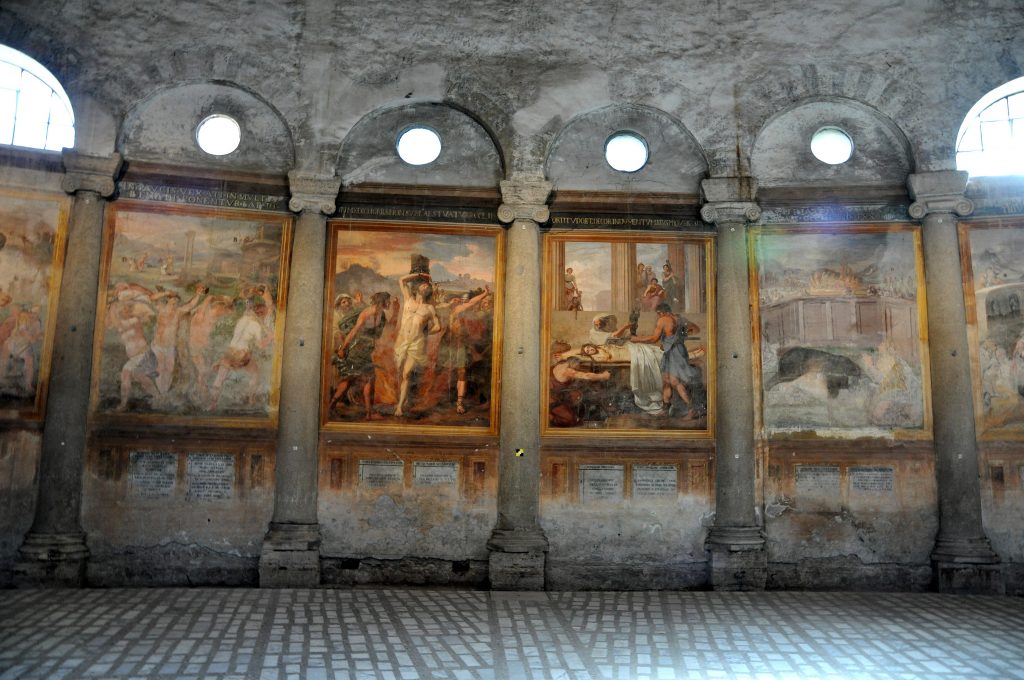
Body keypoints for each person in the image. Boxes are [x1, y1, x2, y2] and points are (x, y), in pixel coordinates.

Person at [630, 302, 705, 418]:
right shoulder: (680, 319)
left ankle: (691, 409)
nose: (658, 316)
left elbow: (654, 338)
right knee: (666, 381)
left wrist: (637, 339)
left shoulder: (663, 320)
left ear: (661, 312)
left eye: (658, 314)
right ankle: (665, 410)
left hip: (674, 353)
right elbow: (695, 329)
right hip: (679, 350)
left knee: (675, 382)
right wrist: (680, 336)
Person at [329, 291, 393, 420]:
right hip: (357, 350)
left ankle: (330, 407)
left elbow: (377, 335)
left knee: (349, 379)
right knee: (367, 379)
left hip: (364, 350)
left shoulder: (382, 314)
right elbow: (354, 331)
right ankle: (369, 413)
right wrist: (343, 348)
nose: (389, 303)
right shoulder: (367, 312)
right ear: (382, 301)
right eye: (388, 300)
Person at [209, 299, 273, 408]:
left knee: (220, 378)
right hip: (242, 354)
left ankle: (213, 403)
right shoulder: (256, 325)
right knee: (255, 374)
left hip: (230, 352)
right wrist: (270, 338)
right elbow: (260, 345)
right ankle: (251, 400)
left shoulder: (241, 319)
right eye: (264, 314)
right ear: (260, 314)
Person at [393, 272, 441, 417]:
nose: (426, 286)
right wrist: (419, 274)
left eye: (427, 285)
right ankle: (403, 398)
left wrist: (425, 334)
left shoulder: (429, 308)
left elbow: (438, 326)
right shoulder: (408, 298)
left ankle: (399, 407)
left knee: (406, 374)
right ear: (417, 287)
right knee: (399, 372)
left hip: (416, 343)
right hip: (401, 341)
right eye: (423, 284)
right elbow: (401, 279)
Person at [150, 285, 206, 394]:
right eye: (172, 301)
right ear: (167, 301)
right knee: (160, 368)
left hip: (170, 346)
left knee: (170, 369)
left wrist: (198, 294)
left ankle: (164, 391)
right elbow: (152, 298)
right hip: (158, 346)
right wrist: (166, 293)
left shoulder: (178, 312)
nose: (174, 304)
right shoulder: (161, 308)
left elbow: (190, 305)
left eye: (176, 302)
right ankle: (161, 392)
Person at [108, 299, 160, 411]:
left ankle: (124, 404)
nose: (125, 311)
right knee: (133, 376)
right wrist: (113, 308)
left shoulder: (134, 320)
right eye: (123, 310)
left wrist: (112, 307)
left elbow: (117, 323)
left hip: (144, 355)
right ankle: (156, 399)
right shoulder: (121, 326)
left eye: (128, 309)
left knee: (132, 375)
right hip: (135, 358)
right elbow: (114, 324)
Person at [446, 287, 490, 414]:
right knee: (454, 373)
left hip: (460, 345)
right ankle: (453, 400)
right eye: (456, 299)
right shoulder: (455, 310)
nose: (459, 301)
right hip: (452, 345)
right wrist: (484, 294)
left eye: (460, 299)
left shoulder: (463, 314)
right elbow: (472, 302)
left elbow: (471, 304)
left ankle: (459, 402)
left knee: (462, 372)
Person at [549, 349, 612, 427]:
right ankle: (549, 418)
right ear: (573, 363)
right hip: (551, 399)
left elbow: (577, 351)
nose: (577, 368)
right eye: (577, 366)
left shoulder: (561, 363)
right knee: (570, 420)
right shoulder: (567, 370)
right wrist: (603, 376)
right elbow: (586, 376)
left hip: (556, 395)